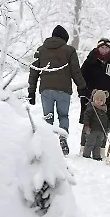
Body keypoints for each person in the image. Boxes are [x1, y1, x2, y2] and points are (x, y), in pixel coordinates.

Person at [29, 25, 86, 155]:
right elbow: (75, 71)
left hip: (46, 90)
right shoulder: (69, 50)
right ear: (64, 39)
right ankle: (62, 138)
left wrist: (31, 90)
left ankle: (47, 143)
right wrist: (82, 87)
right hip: (63, 90)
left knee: (48, 117)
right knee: (63, 116)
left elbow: (34, 72)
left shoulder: (40, 50)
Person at [80, 38, 110, 135]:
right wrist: (83, 92)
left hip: (108, 98)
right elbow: (81, 78)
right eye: (102, 47)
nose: (104, 50)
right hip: (90, 96)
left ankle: (102, 146)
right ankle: (85, 147)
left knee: (105, 124)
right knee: (89, 122)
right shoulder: (90, 61)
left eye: (106, 48)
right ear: (98, 48)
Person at [82, 90, 110, 160]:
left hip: (101, 131)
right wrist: (87, 126)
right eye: (97, 99)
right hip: (92, 130)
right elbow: (86, 117)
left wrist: (108, 127)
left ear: (103, 102)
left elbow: (106, 121)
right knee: (90, 143)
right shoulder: (91, 109)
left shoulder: (104, 111)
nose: (98, 101)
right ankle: (86, 155)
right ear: (94, 99)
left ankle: (96, 156)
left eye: (101, 100)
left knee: (98, 144)